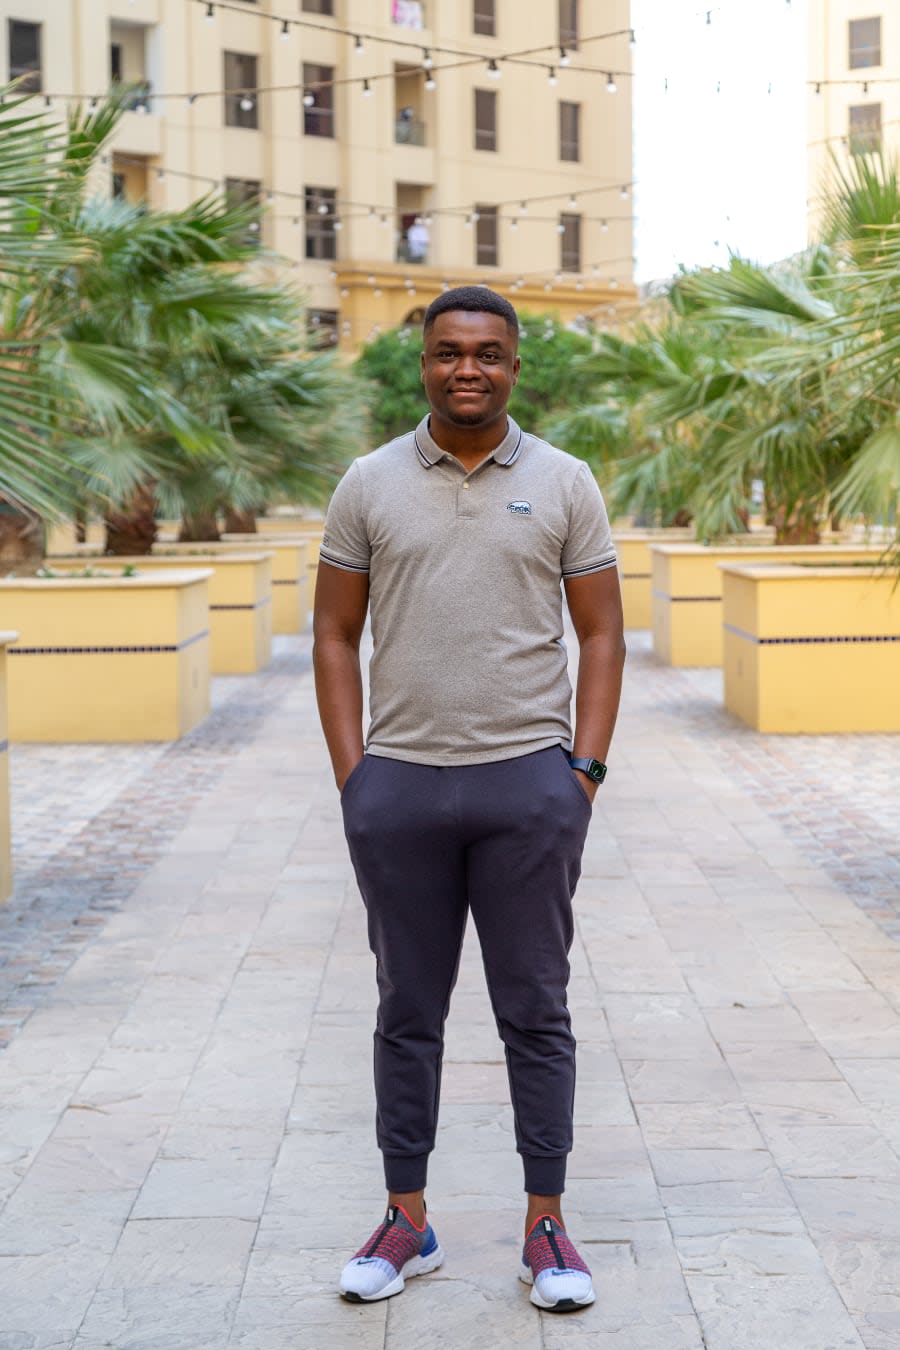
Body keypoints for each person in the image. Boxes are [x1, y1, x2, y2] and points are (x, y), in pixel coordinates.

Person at [313, 286, 625, 1313]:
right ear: (424, 364)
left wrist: (579, 773)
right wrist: (357, 779)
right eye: (449, 352)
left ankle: (547, 1227)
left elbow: (603, 634)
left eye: (488, 353)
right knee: (409, 1010)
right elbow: (332, 634)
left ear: (514, 366)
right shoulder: (368, 483)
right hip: (399, 788)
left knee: (535, 1011)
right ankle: (408, 1219)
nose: (467, 370)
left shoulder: (566, 482)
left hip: (527, 787)